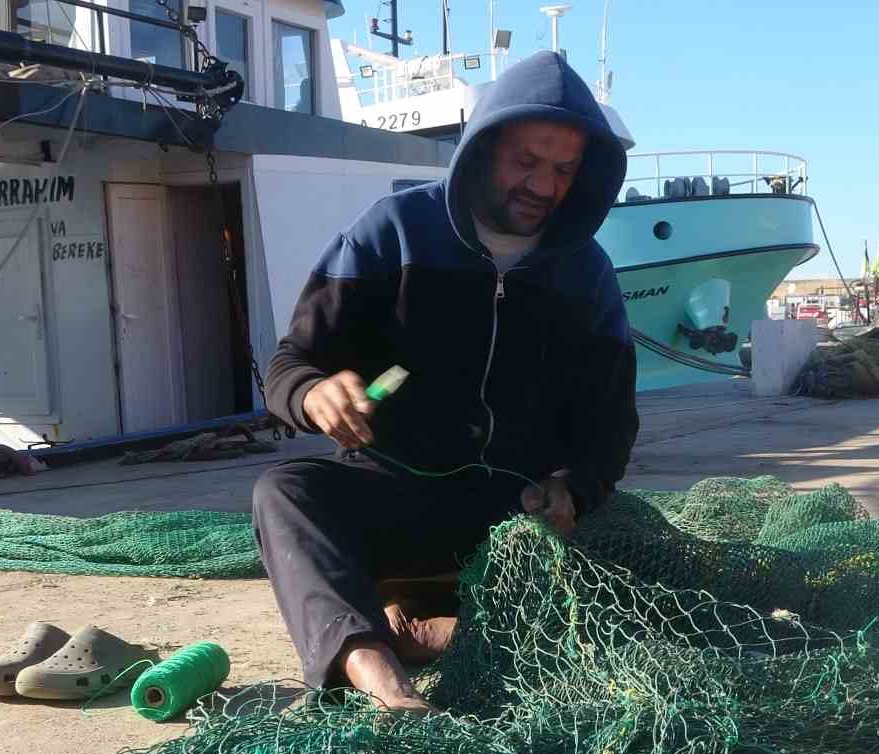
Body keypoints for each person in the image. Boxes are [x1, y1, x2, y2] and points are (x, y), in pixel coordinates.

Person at [252, 52, 638, 712]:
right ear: (483, 149)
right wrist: (314, 393)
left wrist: (576, 484)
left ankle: (435, 626)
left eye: (563, 169)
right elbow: (291, 367)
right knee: (285, 491)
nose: (543, 186)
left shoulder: (588, 272)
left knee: (627, 551)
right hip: (392, 493)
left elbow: (610, 423)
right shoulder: (393, 231)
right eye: (526, 160)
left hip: (512, 512)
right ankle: (378, 673)